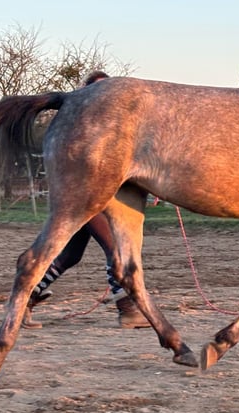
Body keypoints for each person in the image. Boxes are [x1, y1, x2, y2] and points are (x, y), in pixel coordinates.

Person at [24, 71, 150, 330]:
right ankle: (126, 307)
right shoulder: (81, 131)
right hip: (86, 199)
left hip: (104, 200)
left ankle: (28, 296)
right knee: (114, 247)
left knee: (70, 255)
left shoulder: (116, 134)